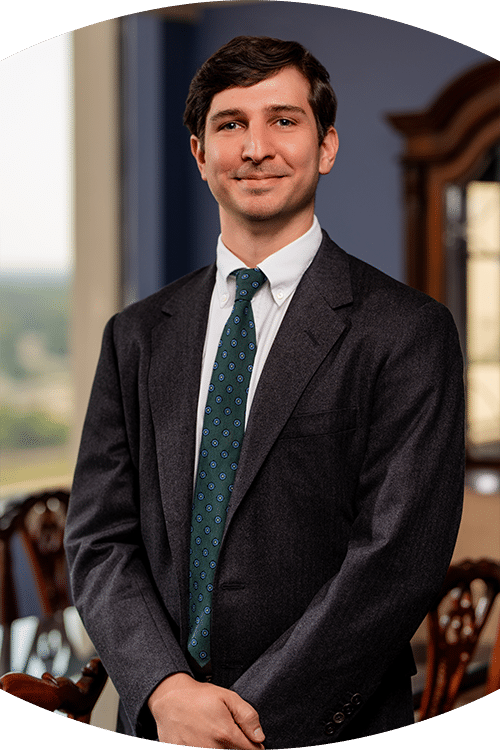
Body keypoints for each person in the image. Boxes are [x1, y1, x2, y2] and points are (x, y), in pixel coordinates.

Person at [65, 36, 464, 748]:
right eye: (230, 124)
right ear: (198, 154)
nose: (256, 147)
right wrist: (166, 691)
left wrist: (242, 719)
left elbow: (396, 562)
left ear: (327, 146)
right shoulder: (135, 336)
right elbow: (99, 540)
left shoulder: (408, 331)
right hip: (161, 726)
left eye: (283, 120)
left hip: (324, 727)